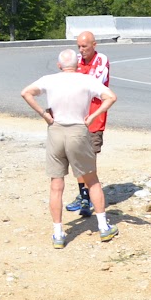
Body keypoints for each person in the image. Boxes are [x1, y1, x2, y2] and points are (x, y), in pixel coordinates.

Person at [21, 48, 119, 248]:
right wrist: (93, 116)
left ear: (59, 65)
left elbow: (26, 93)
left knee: (56, 184)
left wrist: (44, 114)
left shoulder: (49, 79)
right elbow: (110, 97)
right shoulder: (86, 80)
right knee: (92, 180)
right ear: (77, 65)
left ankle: (58, 233)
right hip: (78, 129)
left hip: (56, 130)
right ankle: (103, 226)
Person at [65, 30, 110, 218]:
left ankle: (90, 195)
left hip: (94, 118)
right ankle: (83, 195)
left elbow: (92, 86)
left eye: (84, 46)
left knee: (89, 159)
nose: (81, 50)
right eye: (79, 47)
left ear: (94, 45)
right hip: (76, 117)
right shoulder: (76, 60)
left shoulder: (101, 60)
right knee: (76, 157)